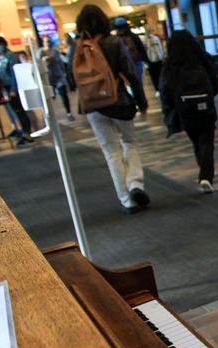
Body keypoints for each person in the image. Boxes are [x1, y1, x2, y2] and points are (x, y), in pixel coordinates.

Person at [75, 5, 151, 214]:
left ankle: (126, 200)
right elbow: (131, 73)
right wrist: (142, 101)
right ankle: (135, 184)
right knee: (129, 143)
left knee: (110, 151)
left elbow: (72, 79)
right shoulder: (113, 42)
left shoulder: (77, 48)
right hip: (118, 101)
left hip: (93, 107)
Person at [159, 30, 218, 194]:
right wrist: (209, 96)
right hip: (205, 107)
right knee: (207, 141)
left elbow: (165, 90)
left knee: (196, 142)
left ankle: (205, 173)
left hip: (185, 110)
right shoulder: (202, 59)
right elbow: (215, 79)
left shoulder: (171, 66)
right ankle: (206, 176)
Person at [0, 36, 35, 146]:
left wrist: (13, 89)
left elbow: (14, 74)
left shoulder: (11, 56)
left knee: (20, 111)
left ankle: (27, 134)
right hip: (4, 87)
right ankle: (20, 130)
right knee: (15, 111)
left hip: (13, 87)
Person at [38, 36, 75, 122]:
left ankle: (69, 113)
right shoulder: (41, 52)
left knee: (63, 94)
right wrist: (44, 61)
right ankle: (50, 116)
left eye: (48, 41)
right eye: (46, 41)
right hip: (48, 78)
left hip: (59, 75)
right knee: (50, 97)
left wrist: (64, 72)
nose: (48, 43)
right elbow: (38, 65)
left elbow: (62, 61)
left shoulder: (56, 52)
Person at [114, 17, 149, 86]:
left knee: (130, 84)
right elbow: (141, 48)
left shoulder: (116, 39)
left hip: (125, 65)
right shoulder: (133, 36)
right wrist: (146, 60)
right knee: (138, 82)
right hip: (137, 61)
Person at [144, 28, 165, 97]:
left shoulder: (149, 39)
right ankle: (159, 89)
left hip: (154, 60)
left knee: (156, 75)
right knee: (157, 75)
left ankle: (159, 89)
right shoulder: (150, 39)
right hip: (155, 59)